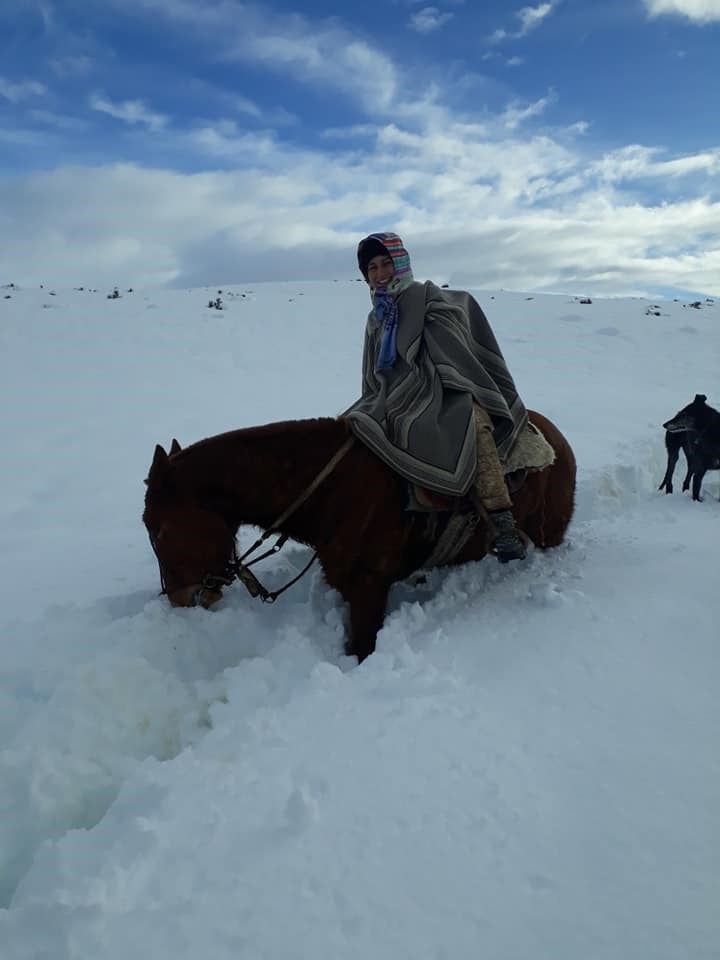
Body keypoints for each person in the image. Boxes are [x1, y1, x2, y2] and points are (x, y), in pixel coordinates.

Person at [343, 231, 531, 563]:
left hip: (448, 389)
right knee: (353, 427)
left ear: (401, 263)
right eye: (371, 268)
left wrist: (431, 380)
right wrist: (381, 398)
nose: (380, 272)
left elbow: (457, 349)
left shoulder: (431, 298)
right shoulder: (376, 319)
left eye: (386, 263)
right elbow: (373, 374)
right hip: (397, 397)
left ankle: (501, 518)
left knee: (473, 422)